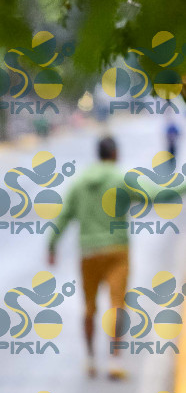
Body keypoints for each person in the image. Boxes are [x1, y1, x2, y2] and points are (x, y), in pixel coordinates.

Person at [46, 134, 168, 380]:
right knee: (117, 305)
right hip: (117, 251)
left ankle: (91, 359)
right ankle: (115, 359)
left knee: (89, 307)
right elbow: (155, 194)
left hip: (88, 252)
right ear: (114, 154)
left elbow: (64, 216)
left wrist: (52, 245)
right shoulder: (120, 179)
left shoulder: (79, 183)